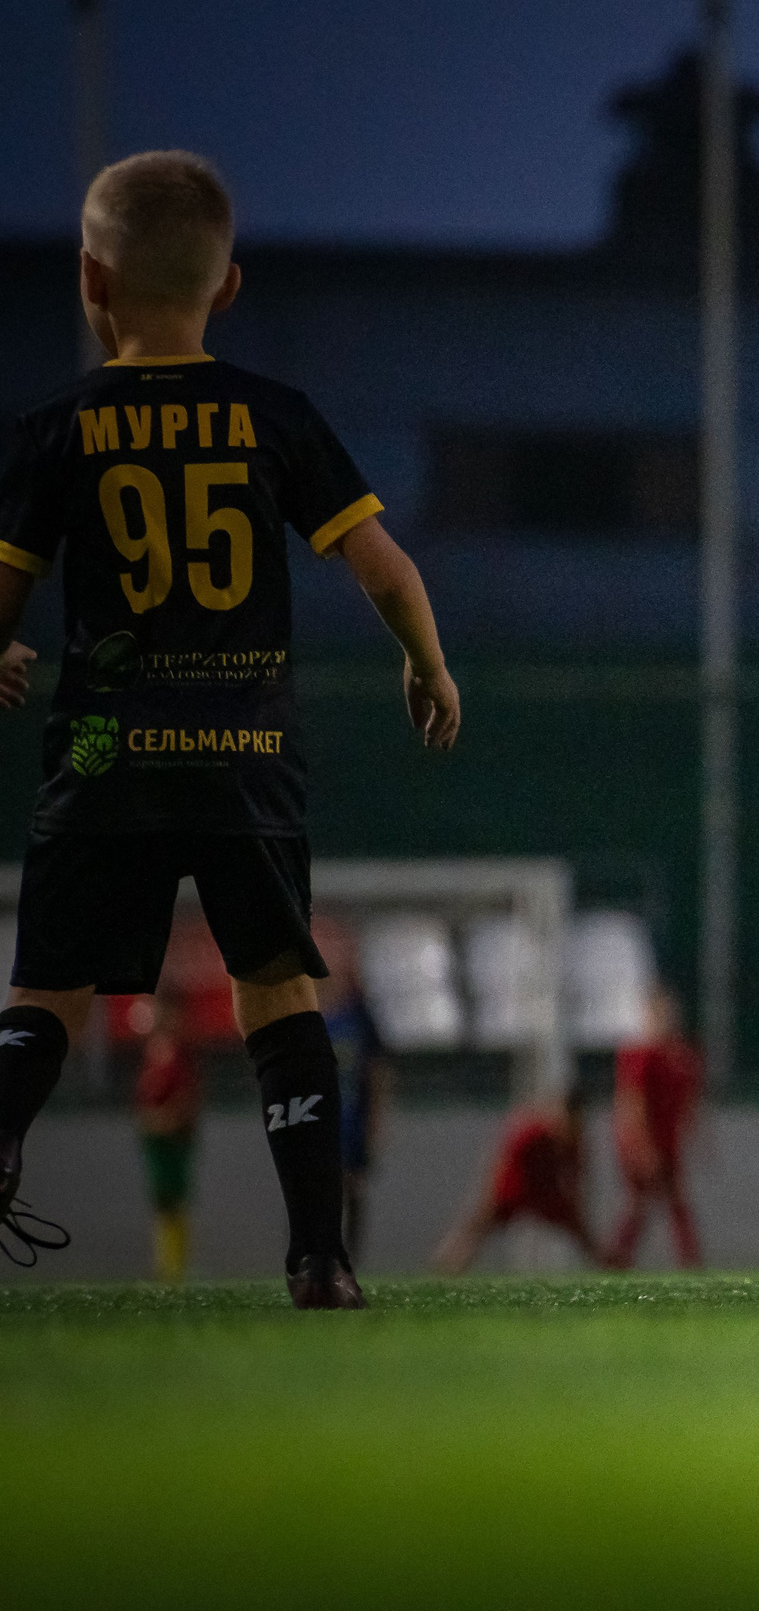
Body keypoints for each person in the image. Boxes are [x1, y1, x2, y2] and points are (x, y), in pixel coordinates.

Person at [0, 151, 462, 1309]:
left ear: (90, 282)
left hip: (106, 756)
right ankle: (319, 1255)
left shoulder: (61, 428)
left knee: (49, 992)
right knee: (276, 987)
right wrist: (430, 665)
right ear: (231, 287)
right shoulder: (274, 419)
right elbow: (384, 566)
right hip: (245, 758)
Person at [433, 1088, 601, 1274]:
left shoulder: (572, 1136)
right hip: (516, 1184)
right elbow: (501, 1160)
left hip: (545, 1189)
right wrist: (490, 1195)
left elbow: (579, 1173)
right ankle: (446, 1269)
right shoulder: (532, 1130)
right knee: (478, 1225)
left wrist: (576, 1205)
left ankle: (610, 1269)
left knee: (581, 1232)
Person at [605, 983, 704, 1269]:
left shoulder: (682, 1055)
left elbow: (690, 1099)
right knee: (646, 1203)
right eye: (657, 1012)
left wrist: (695, 1131)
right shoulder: (639, 1054)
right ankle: (687, 1262)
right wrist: (640, 1146)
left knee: (661, 1203)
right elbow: (631, 1102)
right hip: (644, 1141)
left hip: (666, 1140)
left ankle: (618, 1259)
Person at [312, 915, 391, 1264]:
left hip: (352, 1118)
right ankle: (315, 1254)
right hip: (318, 1115)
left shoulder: (361, 1018)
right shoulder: (312, 1018)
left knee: (353, 1185)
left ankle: (348, 1259)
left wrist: (377, 1121)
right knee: (317, 1188)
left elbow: (377, 1073)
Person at [133, 1016, 202, 1284]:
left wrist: (165, 1120)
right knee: (162, 1201)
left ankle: (176, 1268)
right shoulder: (153, 1058)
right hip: (156, 1139)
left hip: (173, 1139)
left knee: (173, 1200)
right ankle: (168, 1266)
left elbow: (186, 1100)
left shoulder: (177, 1060)